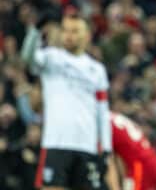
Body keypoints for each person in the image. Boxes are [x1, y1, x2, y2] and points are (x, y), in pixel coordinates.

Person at [20, 13, 112, 190]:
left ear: (87, 35)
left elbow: (102, 110)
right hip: (57, 143)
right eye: (65, 30)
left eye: (75, 31)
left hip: (87, 146)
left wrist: (106, 149)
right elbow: (27, 58)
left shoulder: (97, 70)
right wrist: (35, 32)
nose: (69, 35)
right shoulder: (51, 58)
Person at [106, 112, 156, 190]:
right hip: (151, 161)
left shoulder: (102, 122)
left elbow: (109, 162)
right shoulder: (114, 116)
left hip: (140, 166)